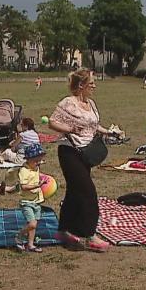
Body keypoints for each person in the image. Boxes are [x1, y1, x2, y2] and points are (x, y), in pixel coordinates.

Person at [48, 68, 111, 253]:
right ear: (81, 85)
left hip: (86, 152)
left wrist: (108, 131)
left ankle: (63, 230)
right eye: (91, 82)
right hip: (70, 151)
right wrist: (69, 129)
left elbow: (94, 124)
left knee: (74, 191)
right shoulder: (68, 103)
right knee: (88, 191)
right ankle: (90, 234)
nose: (94, 85)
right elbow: (52, 122)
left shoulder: (90, 103)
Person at [16, 143, 47, 253]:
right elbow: (23, 187)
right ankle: (19, 236)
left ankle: (30, 244)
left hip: (36, 200)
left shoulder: (36, 166)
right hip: (27, 202)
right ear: (28, 160)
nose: (38, 163)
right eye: (36, 161)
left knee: (34, 225)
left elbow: (40, 162)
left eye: (40, 160)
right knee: (32, 223)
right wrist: (37, 185)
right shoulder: (23, 171)